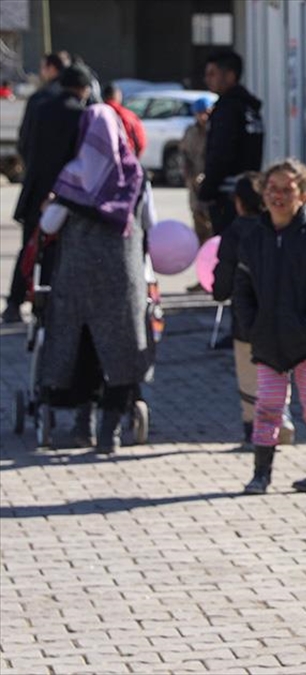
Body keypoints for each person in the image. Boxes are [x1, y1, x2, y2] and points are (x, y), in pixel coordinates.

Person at [37, 103, 153, 454]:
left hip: (77, 281)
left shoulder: (73, 176)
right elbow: (151, 223)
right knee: (120, 350)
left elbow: (48, 225)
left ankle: (83, 422)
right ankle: (111, 429)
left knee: (80, 346)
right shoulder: (135, 176)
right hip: (123, 279)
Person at [233, 159, 306, 494]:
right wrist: (250, 326)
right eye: (272, 189)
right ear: (263, 194)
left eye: (287, 189)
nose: (278, 196)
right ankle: (261, 473)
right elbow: (242, 287)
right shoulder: (253, 238)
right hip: (268, 343)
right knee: (267, 408)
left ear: (303, 195)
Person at [212, 172, 295, 453]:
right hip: (282, 320)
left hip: (246, 323)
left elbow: (224, 278)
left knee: (250, 379)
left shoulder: (235, 232)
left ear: (238, 203)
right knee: (279, 372)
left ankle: (254, 432)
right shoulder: (275, 228)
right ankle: (282, 420)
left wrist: (218, 292)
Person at [5, 61, 89, 325]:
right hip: (63, 193)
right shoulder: (81, 115)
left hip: (34, 191)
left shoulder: (39, 106)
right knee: (61, 250)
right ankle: (49, 307)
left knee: (29, 248)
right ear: (83, 89)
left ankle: (13, 305)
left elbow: (24, 142)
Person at [200, 49, 263, 237]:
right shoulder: (249, 108)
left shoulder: (228, 109)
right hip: (249, 193)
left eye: (212, 73)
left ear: (230, 76)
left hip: (227, 197)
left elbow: (221, 154)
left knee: (228, 254)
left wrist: (206, 192)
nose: (207, 79)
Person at [181, 96, 215, 243]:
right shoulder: (190, 132)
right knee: (198, 219)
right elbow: (184, 155)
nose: (203, 117)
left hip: (212, 182)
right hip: (195, 184)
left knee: (213, 222)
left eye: (206, 112)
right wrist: (190, 176)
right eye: (200, 113)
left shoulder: (216, 130)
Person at [102, 83, 146, 159]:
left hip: (101, 158)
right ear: (118, 95)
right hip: (125, 157)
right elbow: (140, 141)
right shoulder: (127, 115)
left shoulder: (96, 113)